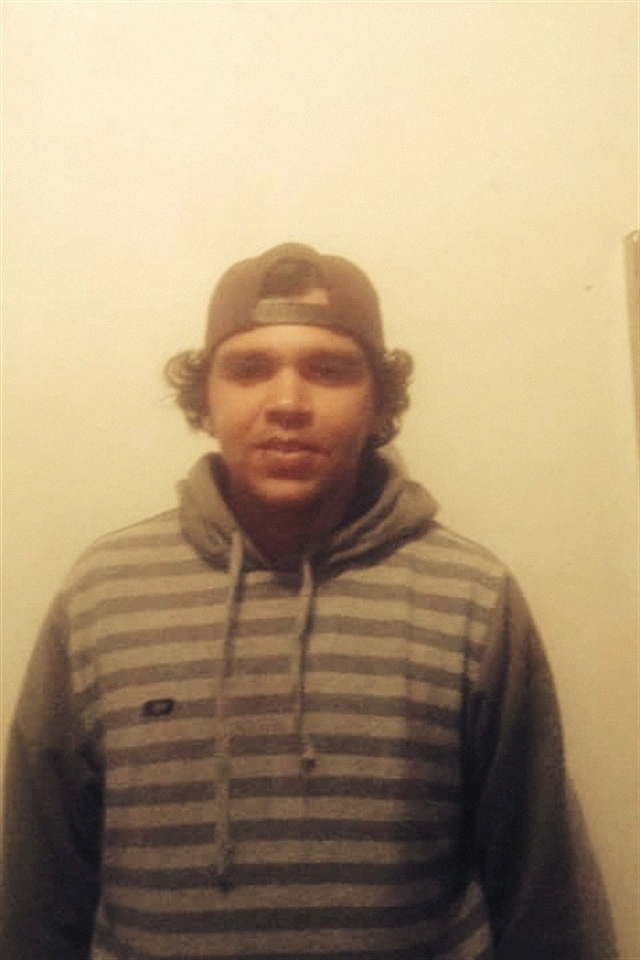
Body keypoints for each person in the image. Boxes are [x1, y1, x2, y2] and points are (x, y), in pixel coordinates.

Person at [1, 243, 617, 960]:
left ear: (378, 403)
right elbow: (36, 893)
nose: (288, 403)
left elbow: (543, 893)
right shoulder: (103, 593)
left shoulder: (472, 598)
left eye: (329, 370)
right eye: (249, 369)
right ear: (205, 399)